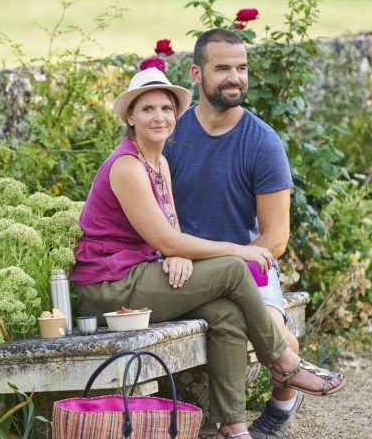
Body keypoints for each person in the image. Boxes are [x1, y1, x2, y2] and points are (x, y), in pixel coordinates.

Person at [71, 61, 345, 439]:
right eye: (147, 109)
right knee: (233, 268)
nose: (159, 117)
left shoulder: (159, 162)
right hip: (109, 287)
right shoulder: (127, 166)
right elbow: (166, 241)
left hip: (141, 273)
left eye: (167, 108)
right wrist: (237, 250)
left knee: (226, 312)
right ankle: (282, 360)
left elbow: (169, 233)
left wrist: (179, 253)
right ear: (130, 117)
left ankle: (232, 427)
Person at [163, 28, 303, 439]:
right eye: (222, 67)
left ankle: (283, 400)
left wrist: (226, 266)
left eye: (241, 68)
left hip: (248, 264)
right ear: (195, 73)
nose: (235, 77)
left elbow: (275, 240)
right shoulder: (169, 136)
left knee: (280, 341)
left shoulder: (262, 143)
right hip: (180, 267)